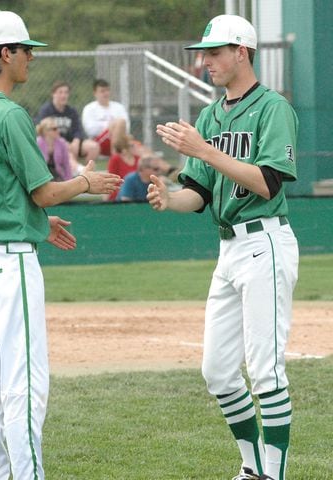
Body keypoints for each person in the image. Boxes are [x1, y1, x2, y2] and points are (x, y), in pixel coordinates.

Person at [0, 10, 121, 480]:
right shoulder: (9, 114)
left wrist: (37, 223)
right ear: (4, 54)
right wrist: (86, 181)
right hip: (10, 262)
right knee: (26, 384)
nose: (30, 57)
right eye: (26, 49)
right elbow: (45, 191)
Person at [147, 14, 299, 480]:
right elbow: (199, 191)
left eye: (215, 52)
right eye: (204, 53)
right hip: (229, 250)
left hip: (266, 239)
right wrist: (169, 198)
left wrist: (205, 149)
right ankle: (251, 469)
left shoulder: (273, 107)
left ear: (242, 53)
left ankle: (272, 474)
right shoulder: (211, 115)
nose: (206, 61)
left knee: (266, 370)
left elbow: (269, 183)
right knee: (217, 372)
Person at [35, 80, 99, 165]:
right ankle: (75, 173)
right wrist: (63, 143)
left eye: (66, 92)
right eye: (60, 92)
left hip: (72, 143)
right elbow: (43, 130)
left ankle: (87, 172)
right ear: (53, 94)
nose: (63, 95)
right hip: (54, 143)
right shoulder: (46, 110)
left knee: (93, 147)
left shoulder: (72, 111)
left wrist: (76, 141)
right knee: (66, 149)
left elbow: (78, 129)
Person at [82, 78, 130, 156]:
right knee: (119, 122)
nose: (106, 93)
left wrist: (113, 127)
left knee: (140, 148)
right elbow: (90, 130)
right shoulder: (89, 108)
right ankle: (115, 160)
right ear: (95, 93)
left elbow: (126, 127)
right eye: (102, 91)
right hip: (99, 142)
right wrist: (111, 126)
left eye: (107, 90)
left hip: (121, 140)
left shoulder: (119, 107)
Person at [36, 117, 73, 181]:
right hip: (42, 176)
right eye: (54, 129)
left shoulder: (62, 143)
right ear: (45, 131)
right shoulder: (37, 143)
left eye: (58, 128)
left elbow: (66, 164)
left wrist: (69, 180)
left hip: (57, 175)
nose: (58, 130)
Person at [107, 134, 140, 201]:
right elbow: (111, 180)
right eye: (132, 145)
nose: (135, 147)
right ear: (124, 148)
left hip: (136, 193)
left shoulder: (139, 159)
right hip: (119, 195)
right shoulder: (115, 159)